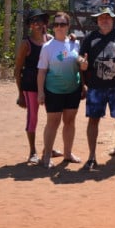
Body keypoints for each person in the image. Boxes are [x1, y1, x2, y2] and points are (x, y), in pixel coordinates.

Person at [78, 5, 115, 170]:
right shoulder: (90, 37)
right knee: (93, 120)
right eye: (101, 18)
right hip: (96, 86)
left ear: (113, 20)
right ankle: (91, 157)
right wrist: (81, 62)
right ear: (97, 20)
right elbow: (81, 56)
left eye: (107, 17)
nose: (104, 20)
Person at [36, 12, 81, 168]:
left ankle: (68, 153)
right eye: (56, 24)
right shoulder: (48, 47)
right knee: (53, 123)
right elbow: (42, 71)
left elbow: (80, 66)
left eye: (62, 24)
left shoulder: (76, 44)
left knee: (69, 122)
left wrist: (83, 86)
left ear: (68, 26)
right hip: (53, 90)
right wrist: (40, 92)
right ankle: (47, 155)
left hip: (73, 89)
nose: (59, 27)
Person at [14, 8, 55, 164]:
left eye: (40, 20)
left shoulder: (51, 39)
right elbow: (17, 69)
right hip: (30, 85)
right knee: (33, 118)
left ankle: (49, 148)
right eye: (33, 21)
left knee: (53, 117)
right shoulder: (26, 44)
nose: (37, 24)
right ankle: (32, 151)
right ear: (29, 25)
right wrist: (20, 94)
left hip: (50, 85)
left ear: (45, 22)